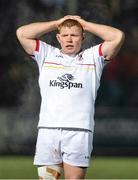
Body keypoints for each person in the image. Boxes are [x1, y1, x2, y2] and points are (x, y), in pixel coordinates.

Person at [16, 15, 125, 179]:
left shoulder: (93, 57)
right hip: (49, 130)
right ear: (58, 38)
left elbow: (117, 37)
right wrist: (56, 23)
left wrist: (86, 25)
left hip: (79, 131)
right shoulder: (46, 54)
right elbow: (22, 33)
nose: (69, 39)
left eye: (74, 35)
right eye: (65, 35)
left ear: (82, 37)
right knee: (48, 179)